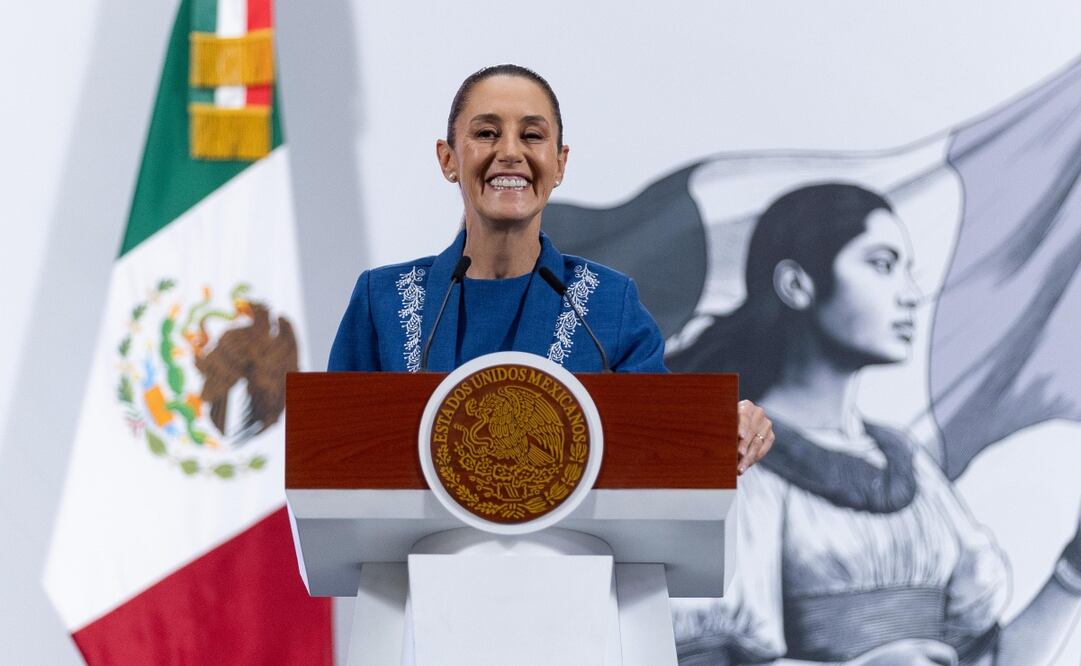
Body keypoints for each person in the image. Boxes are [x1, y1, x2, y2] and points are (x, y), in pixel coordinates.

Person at [667, 183, 1081, 665]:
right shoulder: (734, 458)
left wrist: (1073, 569)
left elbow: (990, 658)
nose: (910, 294)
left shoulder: (909, 464)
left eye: (908, 270)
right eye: (882, 265)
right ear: (797, 285)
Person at [328, 64, 774, 470]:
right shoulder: (381, 301)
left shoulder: (606, 305)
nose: (509, 152)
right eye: (486, 133)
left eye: (532, 136)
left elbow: (663, 437)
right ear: (448, 160)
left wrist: (727, 425)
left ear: (559, 164)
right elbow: (331, 453)